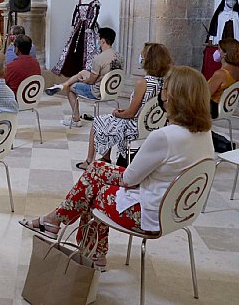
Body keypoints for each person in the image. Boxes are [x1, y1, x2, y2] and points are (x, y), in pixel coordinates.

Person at [22, 66, 214, 270]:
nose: (162, 95)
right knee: (97, 169)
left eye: (165, 89)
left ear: (173, 97)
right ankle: (58, 223)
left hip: (149, 214)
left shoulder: (165, 136)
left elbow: (128, 179)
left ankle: (88, 250)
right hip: (179, 210)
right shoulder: (205, 132)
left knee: (94, 191)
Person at [75, 43, 172, 170]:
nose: (140, 58)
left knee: (98, 121)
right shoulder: (167, 82)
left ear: (148, 60)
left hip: (135, 126)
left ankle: (92, 160)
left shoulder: (143, 83)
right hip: (154, 124)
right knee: (109, 120)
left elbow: (131, 114)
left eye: (142, 55)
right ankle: (106, 158)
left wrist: (118, 113)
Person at [46, 27, 123, 127]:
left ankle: (75, 119)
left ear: (102, 41)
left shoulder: (99, 59)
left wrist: (84, 81)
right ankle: (62, 85)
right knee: (83, 72)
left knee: (71, 88)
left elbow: (91, 81)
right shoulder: (119, 57)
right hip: (112, 90)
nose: (97, 41)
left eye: (98, 38)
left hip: (97, 92)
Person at [208, 38, 239, 119]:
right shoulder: (237, 69)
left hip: (213, 108)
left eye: (219, 49)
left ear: (225, 53)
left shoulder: (221, 74)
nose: (216, 52)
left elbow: (205, 95)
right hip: (225, 107)